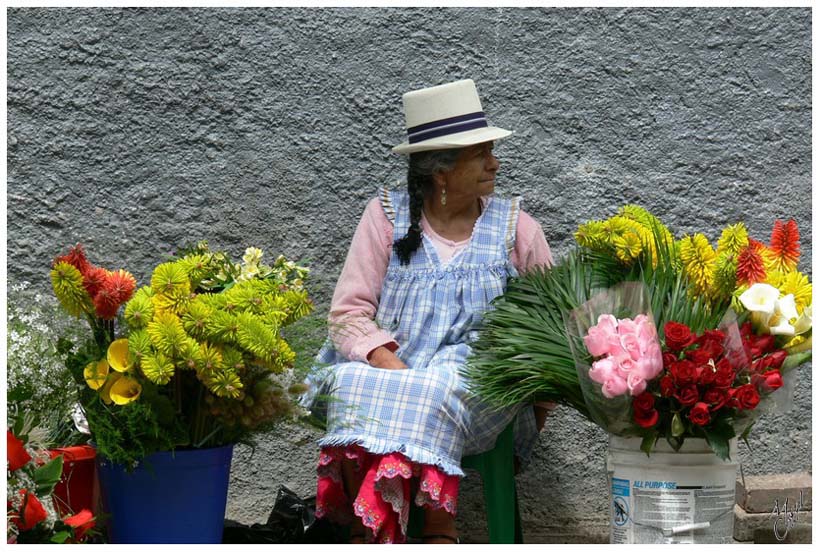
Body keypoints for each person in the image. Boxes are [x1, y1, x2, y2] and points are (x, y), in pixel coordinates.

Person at [303, 79, 555, 544]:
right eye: (480, 155)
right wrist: (389, 363)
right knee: (352, 380)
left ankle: (428, 525)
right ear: (441, 173)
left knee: (440, 382)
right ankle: (382, 519)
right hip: (392, 369)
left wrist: (536, 414)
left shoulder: (515, 229)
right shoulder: (385, 217)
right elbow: (348, 313)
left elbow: (550, 329)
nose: (494, 163)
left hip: (471, 381)